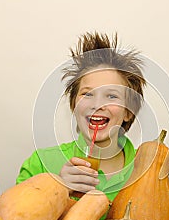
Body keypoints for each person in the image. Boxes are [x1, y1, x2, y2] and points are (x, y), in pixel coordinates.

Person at [16, 32, 146, 202]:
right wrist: (57, 188)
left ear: (128, 111)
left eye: (111, 96)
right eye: (88, 94)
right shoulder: (40, 164)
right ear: (74, 106)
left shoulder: (148, 171)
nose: (98, 105)